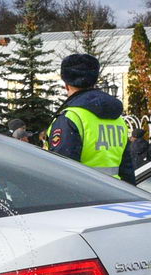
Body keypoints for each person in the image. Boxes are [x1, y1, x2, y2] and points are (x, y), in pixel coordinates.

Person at [44, 53, 138, 182]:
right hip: (116, 195)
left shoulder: (71, 117)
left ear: (66, 84)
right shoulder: (118, 119)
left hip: (84, 197)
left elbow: (63, 171)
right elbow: (127, 169)